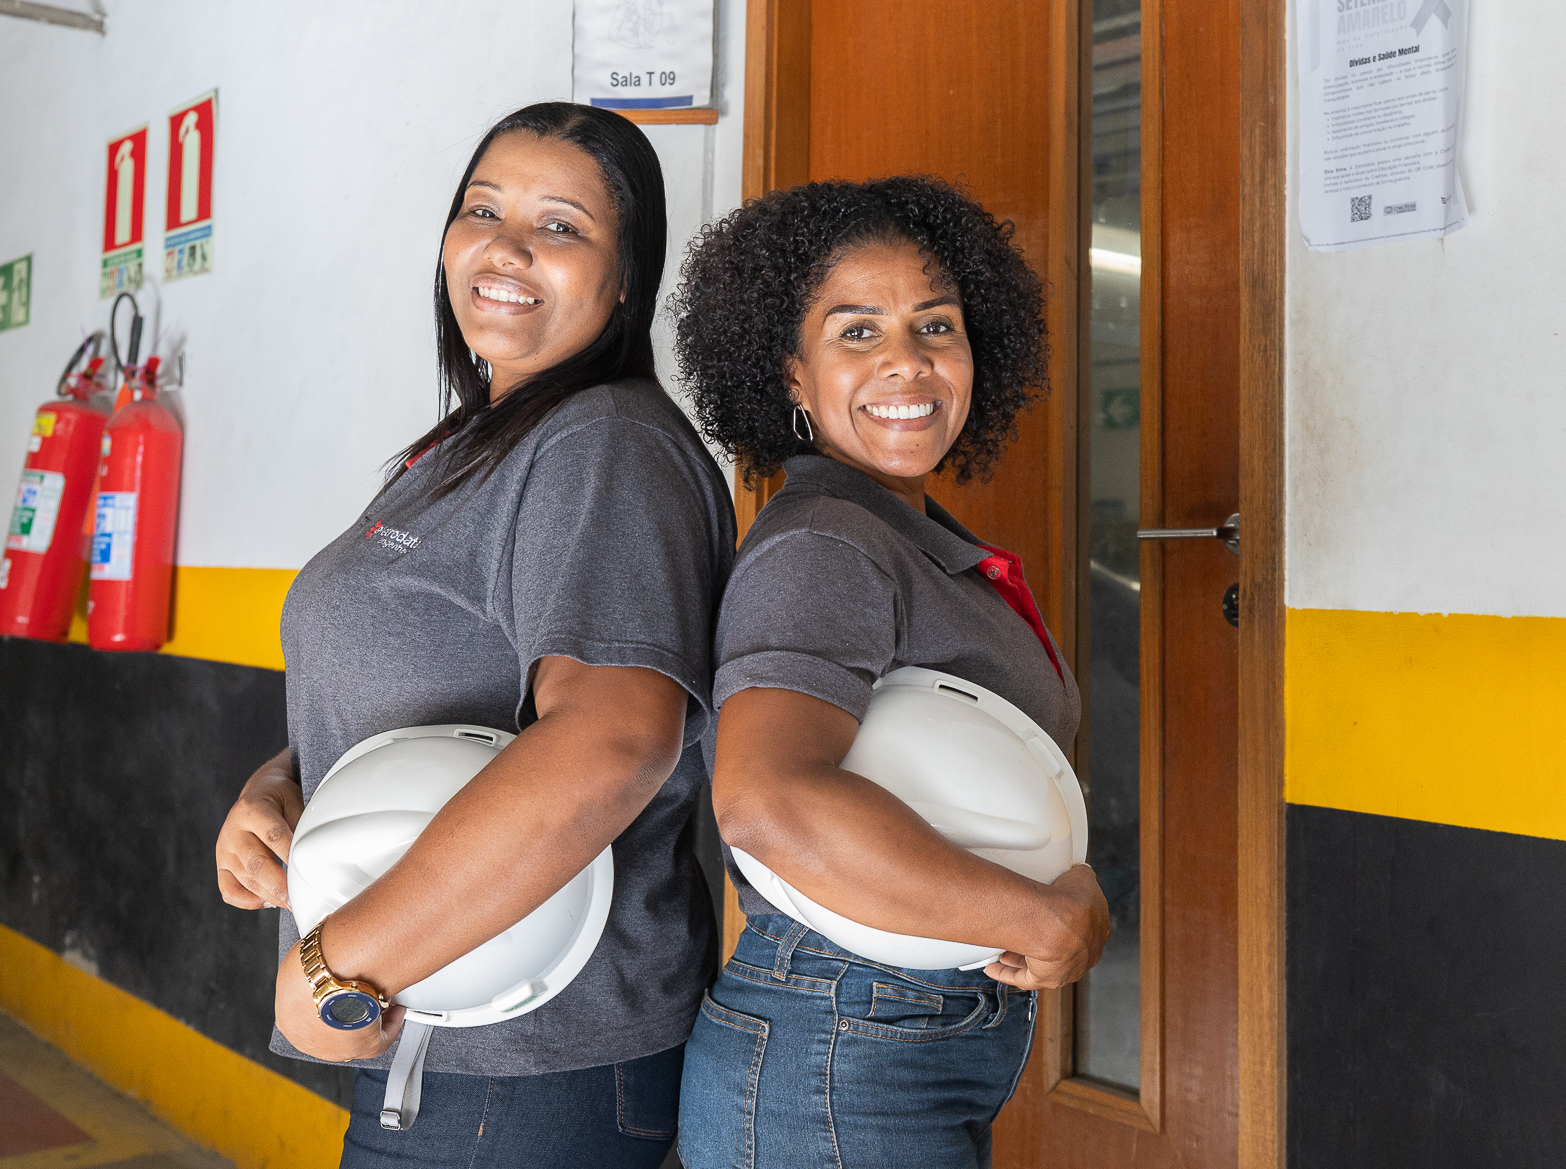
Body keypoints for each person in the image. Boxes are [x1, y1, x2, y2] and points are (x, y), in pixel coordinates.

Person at [213, 102, 735, 1168]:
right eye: (481, 209)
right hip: (447, 1045)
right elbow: (450, 690)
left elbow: (613, 740)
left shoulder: (604, 447)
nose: (505, 246)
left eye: (561, 226)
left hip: (529, 1072)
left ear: (624, 276)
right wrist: (288, 783)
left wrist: (338, 967)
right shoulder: (475, 444)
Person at [669, 176, 1112, 1168]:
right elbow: (766, 801)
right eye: (856, 331)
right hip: (838, 1039)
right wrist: (1033, 914)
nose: (906, 361)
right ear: (792, 374)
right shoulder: (825, 543)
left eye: (935, 326)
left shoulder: (894, 530)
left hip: (873, 1029)